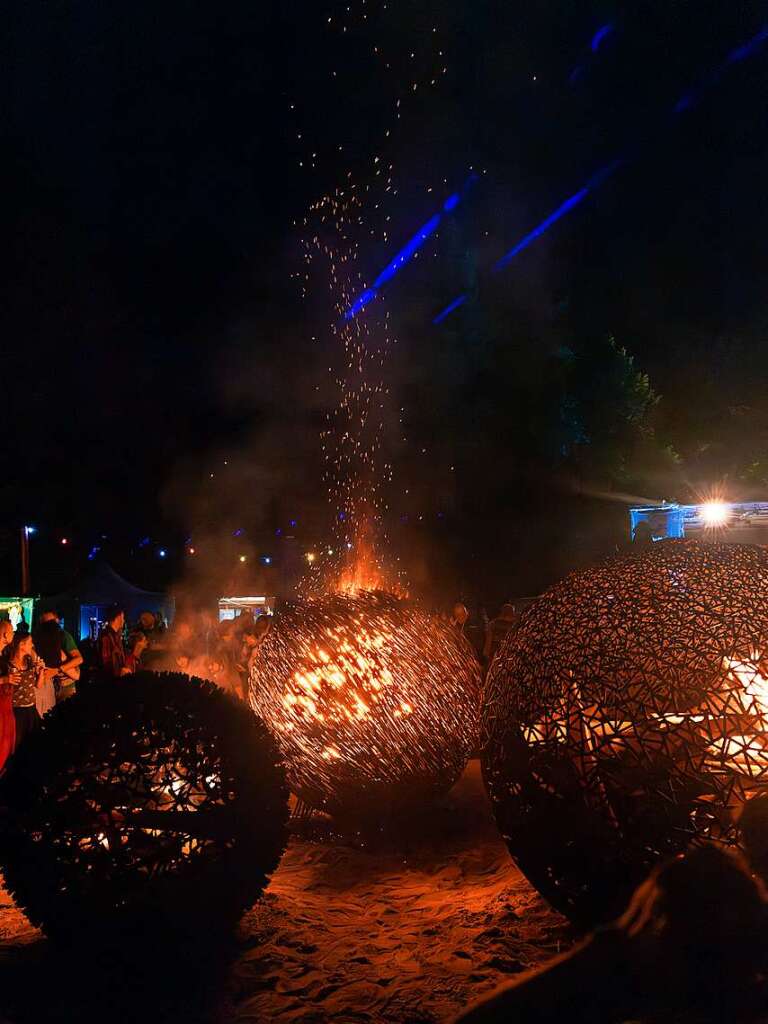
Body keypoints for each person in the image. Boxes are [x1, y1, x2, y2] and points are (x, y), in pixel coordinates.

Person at [0, 632, 44, 748]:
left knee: (34, 745)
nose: (33, 645)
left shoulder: (29, 662)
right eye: (30, 642)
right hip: (15, 711)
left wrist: (41, 671)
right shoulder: (7, 666)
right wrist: (5, 679)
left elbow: (38, 685)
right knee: (17, 745)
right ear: (22, 645)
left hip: (31, 709)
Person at [33, 610, 83, 702]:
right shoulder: (39, 638)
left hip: (66, 686)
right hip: (48, 686)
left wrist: (57, 670)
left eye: (50, 623)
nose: (47, 626)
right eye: (44, 623)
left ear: (57, 621)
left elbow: (79, 659)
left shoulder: (63, 636)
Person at [98, 606, 130, 678]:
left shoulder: (116, 636)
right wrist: (119, 671)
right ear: (118, 618)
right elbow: (105, 661)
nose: (124, 620)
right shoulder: (106, 636)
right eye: (123, 617)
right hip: (111, 681)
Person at [0, 621, 15, 770]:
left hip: (6, 710)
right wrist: (4, 680)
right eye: (12, 631)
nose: (14, 633)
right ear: (5, 635)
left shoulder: (3, 656)